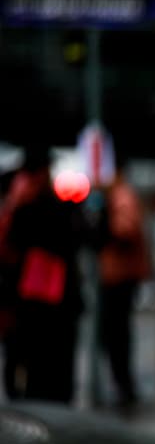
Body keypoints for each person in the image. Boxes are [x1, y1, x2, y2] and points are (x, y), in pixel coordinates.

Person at [1, 142, 87, 403]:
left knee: (26, 360)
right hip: (48, 301)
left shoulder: (16, 206)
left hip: (29, 301)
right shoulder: (49, 207)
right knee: (51, 365)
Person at [96, 157, 151, 409]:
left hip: (120, 275)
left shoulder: (121, 196)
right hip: (118, 274)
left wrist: (103, 229)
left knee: (117, 333)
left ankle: (124, 387)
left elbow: (125, 230)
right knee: (116, 334)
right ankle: (122, 385)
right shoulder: (119, 195)